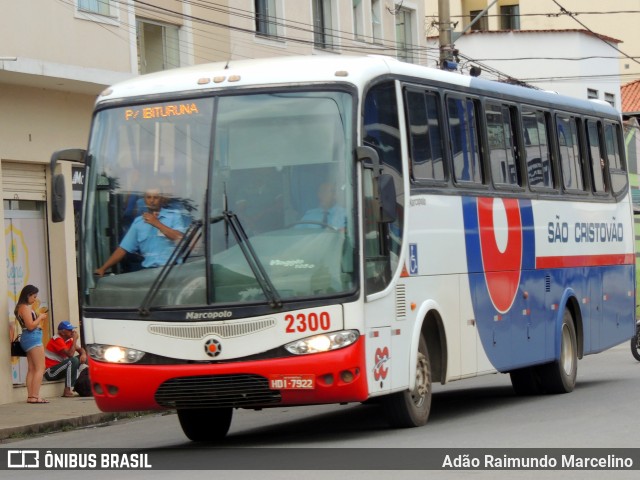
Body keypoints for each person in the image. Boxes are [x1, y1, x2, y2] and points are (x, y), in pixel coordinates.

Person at [95, 186, 189, 276]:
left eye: (155, 197)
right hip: (148, 274)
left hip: (172, 272)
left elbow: (179, 238)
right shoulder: (138, 222)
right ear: (144, 199)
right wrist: (103, 268)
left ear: (161, 199)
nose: (152, 200)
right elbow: (123, 249)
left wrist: (157, 223)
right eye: (148, 197)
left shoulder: (174, 216)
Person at [15, 284, 49, 404]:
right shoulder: (25, 308)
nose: (35, 299)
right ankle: (35, 396)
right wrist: (40, 317)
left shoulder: (20, 307)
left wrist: (38, 322)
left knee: (32, 368)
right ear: (28, 295)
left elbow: (28, 325)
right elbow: (30, 326)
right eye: (34, 296)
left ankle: (31, 396)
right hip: (33, 338)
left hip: (27, 338)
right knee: (40, 368)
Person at [44, 321, 88, 398]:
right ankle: (67, 390)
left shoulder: (68, 340)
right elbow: (70, 354)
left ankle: (84, 384)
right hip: (51, 372)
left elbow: (81, 350)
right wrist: (75, 339)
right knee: (73, 360)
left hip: (61, 368)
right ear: (63, 332)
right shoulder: (57, 340)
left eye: (72, 329)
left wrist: (83, 354)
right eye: (70, 330)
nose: (73, 332)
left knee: (85, 358)